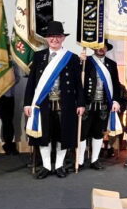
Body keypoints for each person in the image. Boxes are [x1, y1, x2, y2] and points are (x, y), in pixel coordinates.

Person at [23, 21, 85, 179]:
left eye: (58, 36)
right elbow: (31, 82)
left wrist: (81, 103)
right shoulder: (39, 56)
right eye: (51, 36)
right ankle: (45, 166)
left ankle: (58, 166)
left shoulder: (71, 58)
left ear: (63, 38)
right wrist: (27, 103)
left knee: (61, 136)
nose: (54, 39)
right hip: (42, 104)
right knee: (44, 136)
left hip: (65, 104)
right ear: (47, 38)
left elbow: (78, 84)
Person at [78, 42, 121, 170]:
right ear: (94, 47)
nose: (101, 49)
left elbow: (116, 84)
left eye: (104, 47)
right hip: (87, 104)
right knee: (82, 133)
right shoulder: (86, 61)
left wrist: (116, 101)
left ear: (107, 48)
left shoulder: (111, 64)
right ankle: (79, 161)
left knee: (99, 133)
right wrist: (80, 62)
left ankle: (95, 160)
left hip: (103, 104)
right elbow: (78, 81)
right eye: (99, 46)